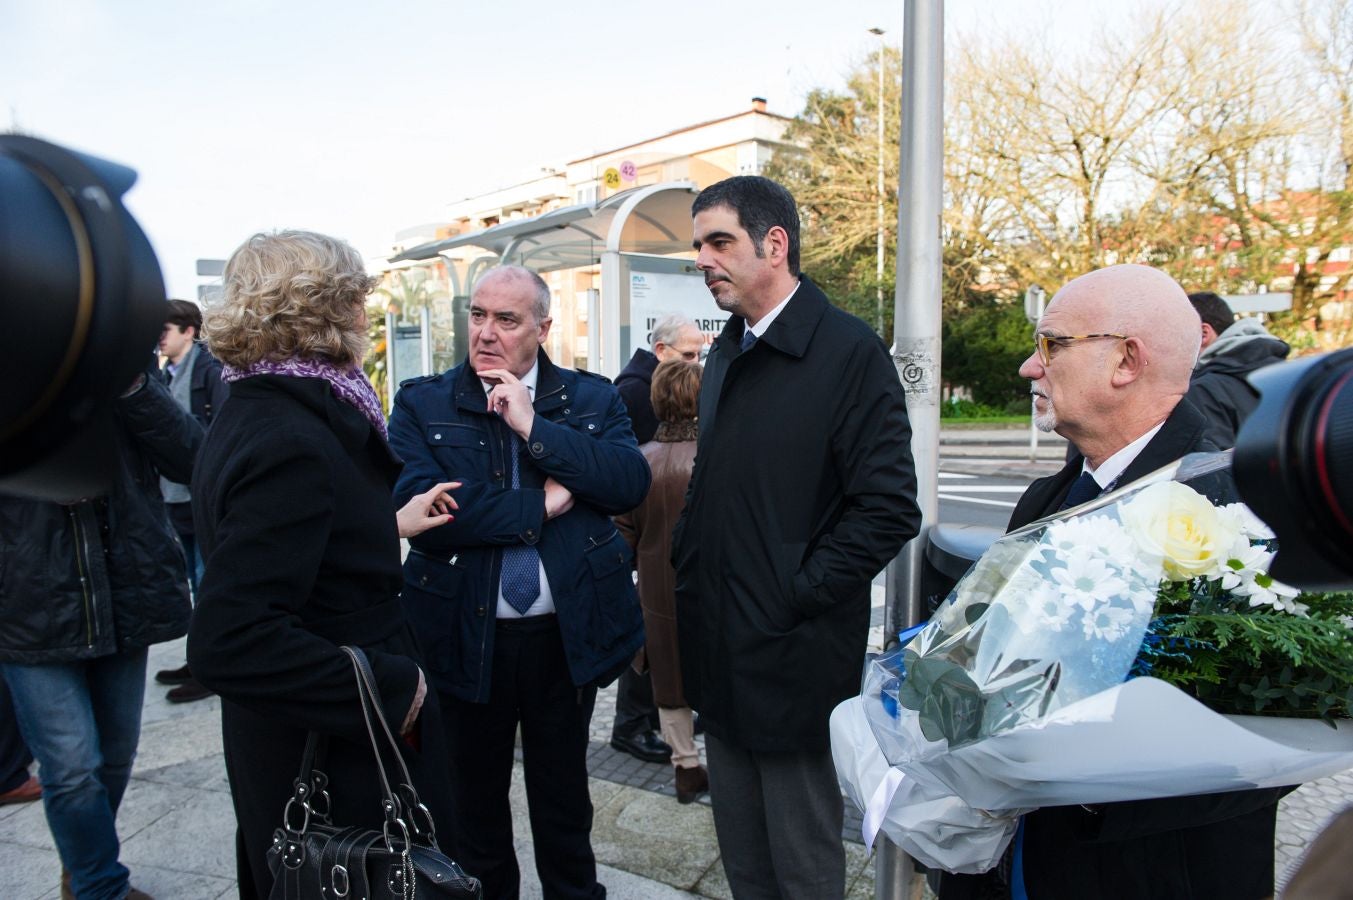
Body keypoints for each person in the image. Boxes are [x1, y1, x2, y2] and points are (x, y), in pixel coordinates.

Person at [940, 264, 1290, 900]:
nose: (1028, 366)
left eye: (1052, 343)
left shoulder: (1238, 510)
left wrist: (1087, 783)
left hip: (1153, 873)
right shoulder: (1050, 495)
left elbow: (1277, 732)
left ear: (1127, 360)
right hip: (1032, 856)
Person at [186, 230, 460, 900]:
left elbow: (291, 543)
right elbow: (230, 641)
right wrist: (397, 692)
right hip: (334, 747)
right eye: (357, 300)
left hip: (299, 734)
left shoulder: (259, 404)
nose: (365, 316)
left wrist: (380, 526)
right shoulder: (291, 434)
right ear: (328, 309)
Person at [673, 175, 921, 900]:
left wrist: (792, 595)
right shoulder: (724, 353)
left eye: (718, 241)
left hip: (791, 658)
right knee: (745, 862)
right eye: (697, 245)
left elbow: (886, 509)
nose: (702, 259)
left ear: (773, 244)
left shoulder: (846, 352)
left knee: (802, 866)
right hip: (721, 649)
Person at [388, 264, 650, 900]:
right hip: (462, 635)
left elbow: (626, 483)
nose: (485, 332)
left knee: (564, 804)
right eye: (477, 315)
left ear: (542, 328)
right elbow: (423, 512)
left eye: (506, 320)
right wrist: (543, 506)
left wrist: (535, 428)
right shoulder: (424, 402)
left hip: (564, 638)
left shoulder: (590, 399)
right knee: (473, 810)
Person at [0, 350, 203, 900]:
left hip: (123, 592)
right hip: (28, 601)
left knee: (114, 757)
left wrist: (132, 383)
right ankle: (97, 883)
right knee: (72, 766)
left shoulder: (119, 359)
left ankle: (83, 862)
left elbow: (191, 456)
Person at [609, 312, 703, 765]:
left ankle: (655, 722)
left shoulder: (655, 382)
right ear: (661, 351)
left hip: (653, 529)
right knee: (651, 640)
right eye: (688, 354)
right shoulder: (636, 390)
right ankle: (632, 725)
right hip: (651, 528)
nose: (696, 363)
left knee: (658, 637)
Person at [153, 297, 229, 703]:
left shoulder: (209, 371)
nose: (158, 339)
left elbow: (220, 431)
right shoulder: (165, 374)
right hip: (173, 497)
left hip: (201, 495)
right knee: (192, 584)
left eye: (164, 330)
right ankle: (196, 659)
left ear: (189, 331)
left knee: (206, 581)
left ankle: (209, 669)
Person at [1184, 290, 1290, 447]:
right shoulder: (1289, 374)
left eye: (1178, 335)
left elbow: (1208, 466)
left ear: (1204, 334)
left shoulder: (1204, 390)